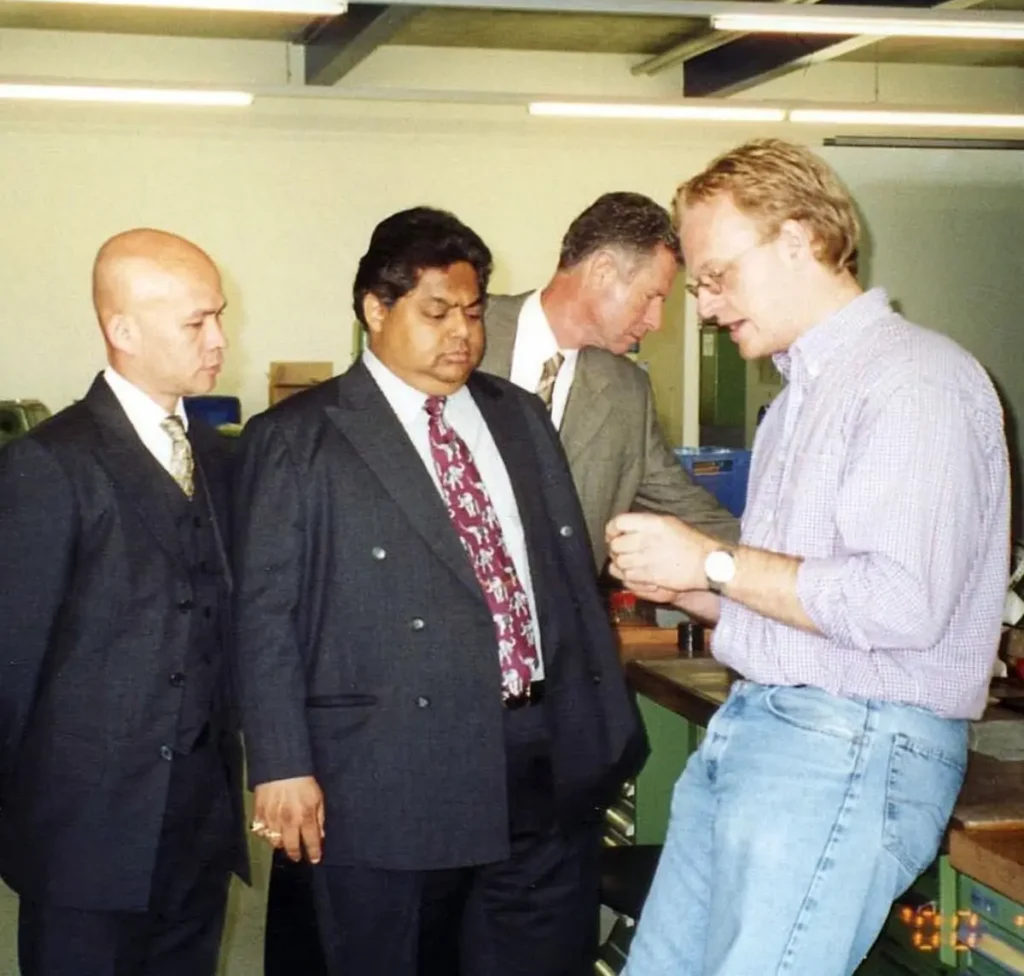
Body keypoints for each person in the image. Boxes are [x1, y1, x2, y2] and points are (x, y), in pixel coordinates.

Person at [605, 139, 1011, 976]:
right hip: (764, 731)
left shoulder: (915, 383)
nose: (708, 308)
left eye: (718, 276)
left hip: (848, 745)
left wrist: (712, 563)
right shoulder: (797, 405)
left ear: (798, 239)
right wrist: (689, 585)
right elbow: (804, 607)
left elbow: (898, 606)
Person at [233, 206, 647, 976]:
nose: (461, 332)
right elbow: (263, 615)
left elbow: (557, 581)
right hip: (389, 768)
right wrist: (280, 765)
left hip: (539, 754)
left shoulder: (516, 417)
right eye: (435, 312)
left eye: (472, 311)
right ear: (375, 310)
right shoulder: (299, 439)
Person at [0, 228, 249, 976]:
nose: (220, 339)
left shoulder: (218, 456)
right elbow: (11, 667)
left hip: (198, 825)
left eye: (220, 316)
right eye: (196, 322)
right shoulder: (48, 466)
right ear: (123, 330)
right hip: (85, 836)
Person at [479, 191, 739, 569]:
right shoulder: (465, 329)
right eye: (651, 296)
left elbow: (687, 507)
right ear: (602, 270)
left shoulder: (626, 392)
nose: (656, 321)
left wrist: (778, 567)